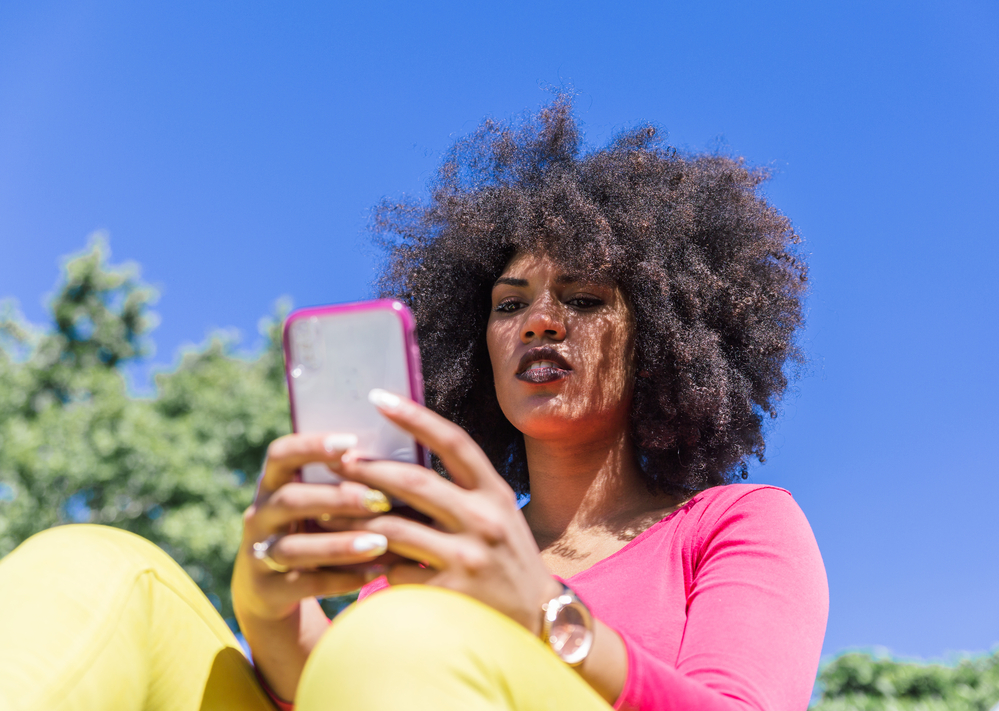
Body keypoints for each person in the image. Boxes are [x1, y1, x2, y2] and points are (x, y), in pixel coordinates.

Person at [0, 97, 827, 711]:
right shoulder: (439, 542)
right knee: (101, 566)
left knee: (403, 633)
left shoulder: (739, 524)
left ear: (669, 336)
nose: (540, 318)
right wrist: (268, 610)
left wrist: (542, 612)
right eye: (509, 305)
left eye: (582, 297)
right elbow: (338, 686)